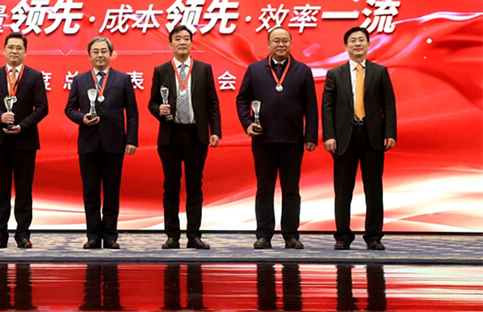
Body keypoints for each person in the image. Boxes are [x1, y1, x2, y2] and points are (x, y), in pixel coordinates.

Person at [236, 27, 318, 250]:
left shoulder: (303, 70)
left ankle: (291, 235)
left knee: (291, 190)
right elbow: (242, 100)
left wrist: (311, 136)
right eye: (276, 41)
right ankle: (264, 235)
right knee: (265, 189)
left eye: (285, 41)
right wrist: (248, 123)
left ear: (291, 43)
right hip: (264, 139)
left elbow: (311, 106)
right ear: (268, 44)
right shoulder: (254, 70)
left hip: (293, 140)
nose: (281, 45)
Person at [323, 26, 397, 251]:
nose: (357, 44)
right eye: (353, 40)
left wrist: (390, 133)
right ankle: (343, 236)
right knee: (342, 191)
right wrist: (329, 136)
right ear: (346, 46)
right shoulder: (335, 74)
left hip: (372, 136)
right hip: (344, 137)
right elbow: (327, 107)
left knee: (374, 189)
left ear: (368, 44)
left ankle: (373, 236)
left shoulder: (380, 72)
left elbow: (389, 105)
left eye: (361, 40)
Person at [148, 25, 221, 250]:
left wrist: (215, 131)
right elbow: (152, 103)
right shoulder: (161, 70)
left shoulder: (203, 69)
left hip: (196, 135)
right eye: (178, 38)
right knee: (171, 187)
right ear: (170, 44)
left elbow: (212, 103)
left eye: (186, 38)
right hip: (170, 136)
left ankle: (194, 236)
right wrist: (158, 110)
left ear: (191, 43)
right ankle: (172, 236)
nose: (182, 42)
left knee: (194, 187)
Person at [64, 37, 139, 249]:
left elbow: (132, 113)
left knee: (112, 192)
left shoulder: (123, 79)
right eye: (95, 51)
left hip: (114, 143)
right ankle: (93, 236)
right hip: (88, 143)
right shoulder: (79, 80)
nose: (100, 55)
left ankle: (111, 236)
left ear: (111, 54)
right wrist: (82, 118)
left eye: (104, 51)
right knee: (90, 193)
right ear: (89, 55)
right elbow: (69, 109)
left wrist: (131, 139)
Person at [0, 32, 49, 249]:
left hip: (25, 141)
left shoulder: (35, 76)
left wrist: (23, 125)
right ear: (4, 50)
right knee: (0, 191)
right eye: (10, 47)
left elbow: (42, 108)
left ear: (25, 52)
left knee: (24, 190)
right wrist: (0, 116)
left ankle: (23, 235)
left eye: (19, 48)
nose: (14, 51)